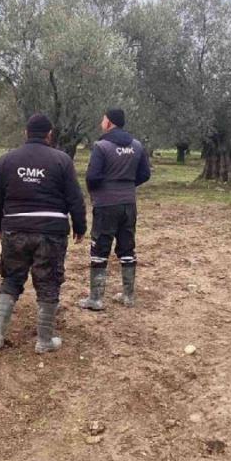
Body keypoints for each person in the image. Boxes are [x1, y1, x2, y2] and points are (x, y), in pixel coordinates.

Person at [0, 113, 87, 353]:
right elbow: (75, 198)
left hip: (15, 228)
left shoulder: (6, 160)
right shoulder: (62, 160)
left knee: (11, 278)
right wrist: (80, 226)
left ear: (25, 133)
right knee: (48, 282)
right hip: (51, 231)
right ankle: (44, 341)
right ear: (49, 134)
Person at [79, 108, 151, 310]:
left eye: (103, 119)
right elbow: (145, 174)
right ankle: (128, 296)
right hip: (129, 203)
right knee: (127, 245)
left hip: (106, 204)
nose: (102, 122)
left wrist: (99, 191)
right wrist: (127, 184)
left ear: (109, 123)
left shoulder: (101, 146)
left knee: (100, 247)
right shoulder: (137, 146)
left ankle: (96, 299)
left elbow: (92, 177)